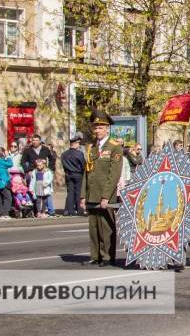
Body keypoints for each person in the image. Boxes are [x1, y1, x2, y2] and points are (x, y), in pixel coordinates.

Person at [79, 109, 124, 267]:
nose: (97, 130)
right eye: (95, 127)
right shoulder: (92, 149)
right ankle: (95, 255)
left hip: (106, 194)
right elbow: (87, 173)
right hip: (92, 192)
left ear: (107, 129)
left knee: (106, 227)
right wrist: (83, 195)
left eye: (100, 127)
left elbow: (114, 175)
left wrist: (106, 196)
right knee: (93, 226)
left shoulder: (114, 147)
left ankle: (107, 256)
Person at [61, 136, 85, 216]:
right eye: (78, 143)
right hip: (78, 174)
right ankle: (79, 210)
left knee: (70, 192)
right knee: (78, 192)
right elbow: (83, 164)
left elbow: (63, 165)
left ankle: (70, 211)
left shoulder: (64, 154)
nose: (79, 145)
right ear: (74, 144)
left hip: (68, 174)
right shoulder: (79, 153)